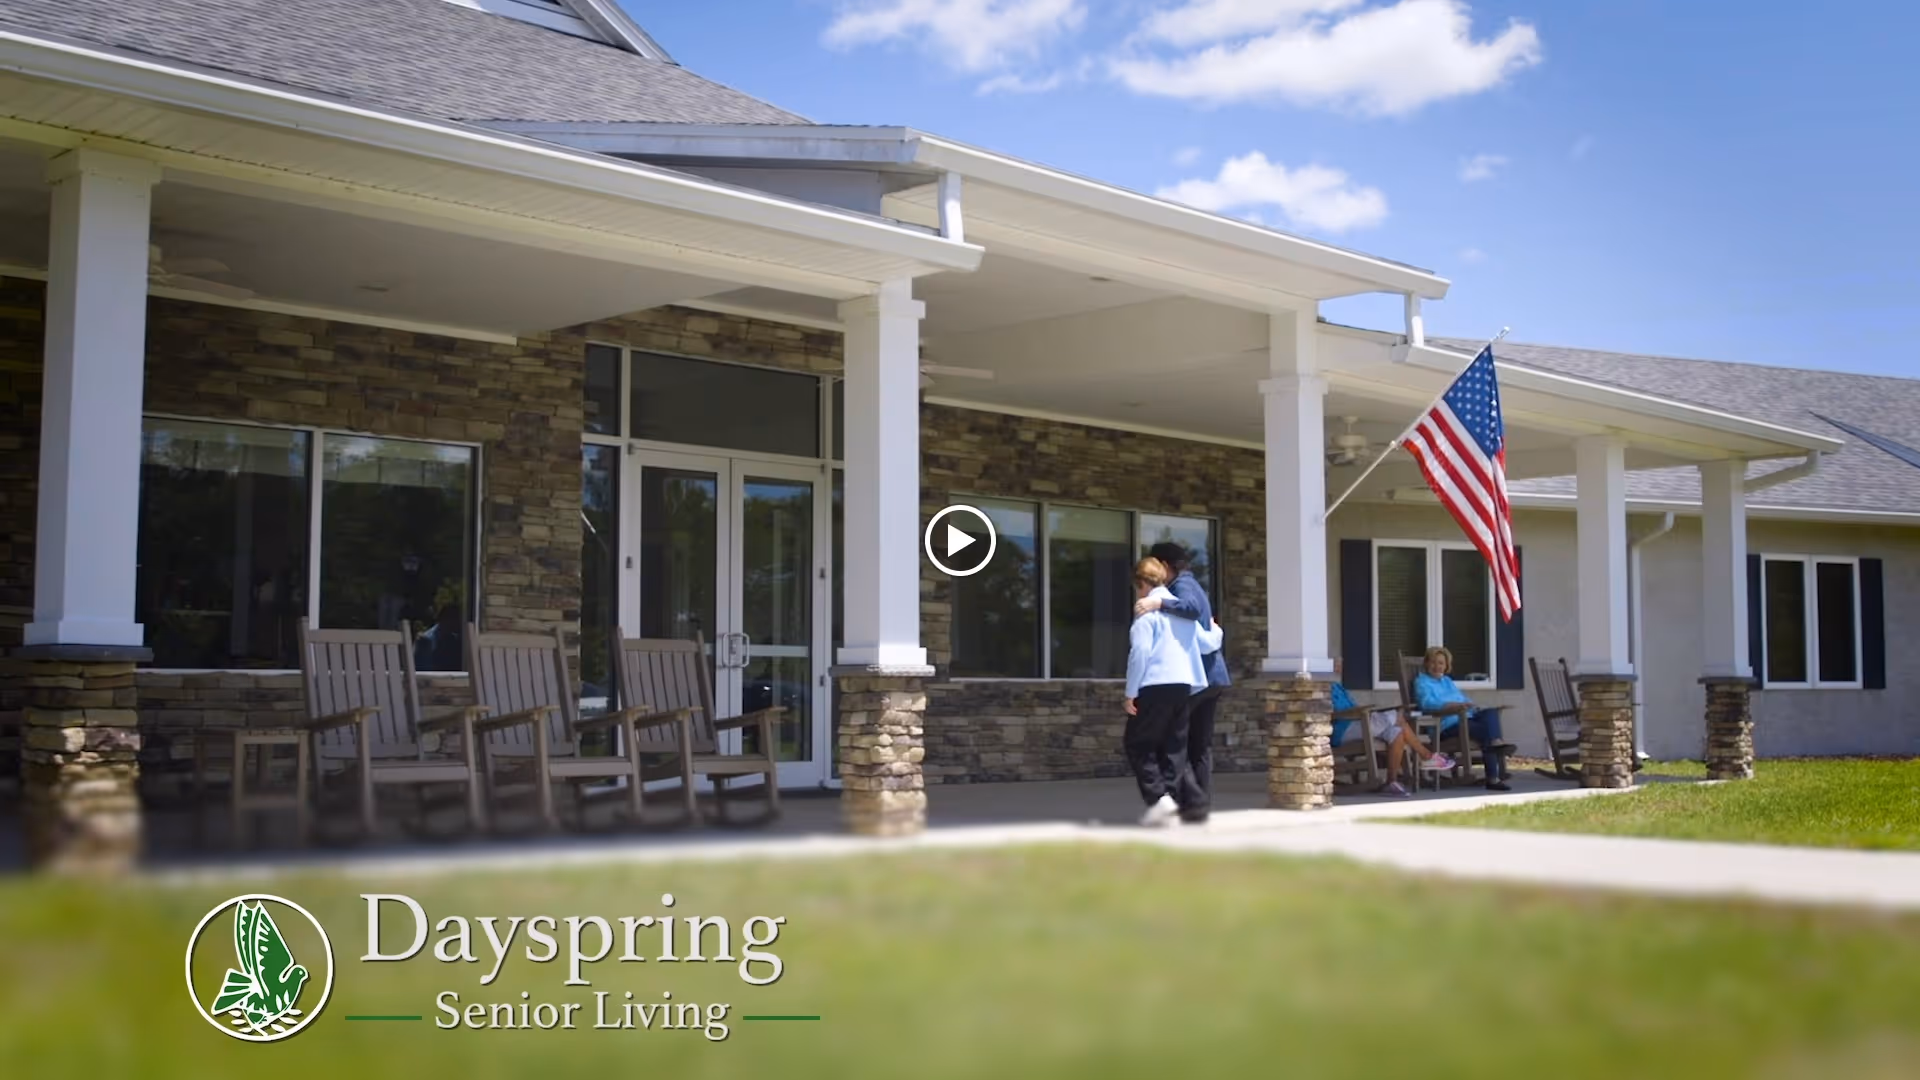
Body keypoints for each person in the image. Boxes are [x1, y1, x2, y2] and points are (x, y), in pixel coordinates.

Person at [1123, 556, 1222, 828]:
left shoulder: (1147, 611)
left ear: (1142, 583)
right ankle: (1184, 803)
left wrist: (1130, 692)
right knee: (1174, 747)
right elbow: (1206, 644)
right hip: (1183, 686)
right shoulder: (1181, 613)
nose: (1138, 592)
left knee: (1137, 743)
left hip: (1154, 685)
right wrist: (1217, 631)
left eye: (1138, 586)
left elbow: (1140, 653)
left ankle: (1159, 799)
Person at [1329, 657, 1453, 798]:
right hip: (1342, 730)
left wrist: (1366, 712)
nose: (1338, 667)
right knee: (1396, 717)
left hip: (1358, 723)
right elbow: (1337, 712)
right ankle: (1426, 756)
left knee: (1397, 732)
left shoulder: (1338, 686)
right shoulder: (1323, 687)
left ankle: (1391, 781)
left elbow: (1353, 707)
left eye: (1339, 664)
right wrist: (1363, 713)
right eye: (1335, 664)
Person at [1413, 645, 1517, 791]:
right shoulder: (1422, 682)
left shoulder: (1447, 681)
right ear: (1427, 664)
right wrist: (1453, 706)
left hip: (1465, 718)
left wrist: (1471, 705)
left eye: (1441, 663)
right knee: (1487, 733)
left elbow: (1462, 698)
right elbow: (1426, 703)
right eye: (1433, 662)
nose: (1437, 666)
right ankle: (1493, 774)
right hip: (1445, 725)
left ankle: (1495, 746)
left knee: (1490, 713)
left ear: (1446, 665)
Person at [414, 604, 465, 673]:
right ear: (443, 618)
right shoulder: (427, 640)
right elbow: (423, 670)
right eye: (453, 618)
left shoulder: (453, 640)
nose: (456, 623)